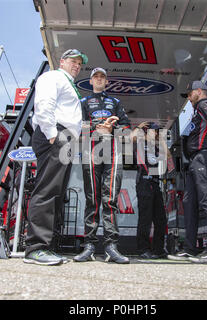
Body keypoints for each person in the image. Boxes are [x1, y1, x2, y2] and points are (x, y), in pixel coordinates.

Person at [24, 49, 88, 266]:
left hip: (65, 136)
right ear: (61, 61)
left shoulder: (69, 84)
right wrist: (52, 134)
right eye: (73, 61)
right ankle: (36, 248)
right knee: (47, 190)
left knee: (57, 193)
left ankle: (47, 247)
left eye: (80, 63)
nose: (77, 65)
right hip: (55, 134)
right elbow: (44, 104)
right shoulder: (53, 76)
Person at [74, 67, 131, 264]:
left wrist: (112, 127)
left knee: (110, 199)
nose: (99, 79)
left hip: (112, 152)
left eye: (102, 77)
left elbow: (127, 127)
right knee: (92, 199)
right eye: (95, 77)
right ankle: (89, 246)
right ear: (90, 81)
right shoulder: (82, 102)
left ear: (107, 81)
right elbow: (75, 125)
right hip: (90, 151)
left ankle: (110, 246)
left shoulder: (115, 102)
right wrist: (95, 127)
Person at [169, 80, 207, 264]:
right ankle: (189, 248)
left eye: (189, 94)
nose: (188, 98)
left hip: (205, 157)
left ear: (198, 91)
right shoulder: (197, 110)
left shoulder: (204, 104)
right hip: (196, 161)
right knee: (188, 202)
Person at [131, 121, 170, 259]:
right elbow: (132, 137)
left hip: (155, 183)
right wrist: (140, 126)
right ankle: (142, 249)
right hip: (143, 181)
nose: (157, 133)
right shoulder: (140, 141)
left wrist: (162, 140)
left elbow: (168, 156)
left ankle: (158, 250)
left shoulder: (157, 145)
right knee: (145, 218)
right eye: (155, 131)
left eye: (158, 131)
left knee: (161, 218)